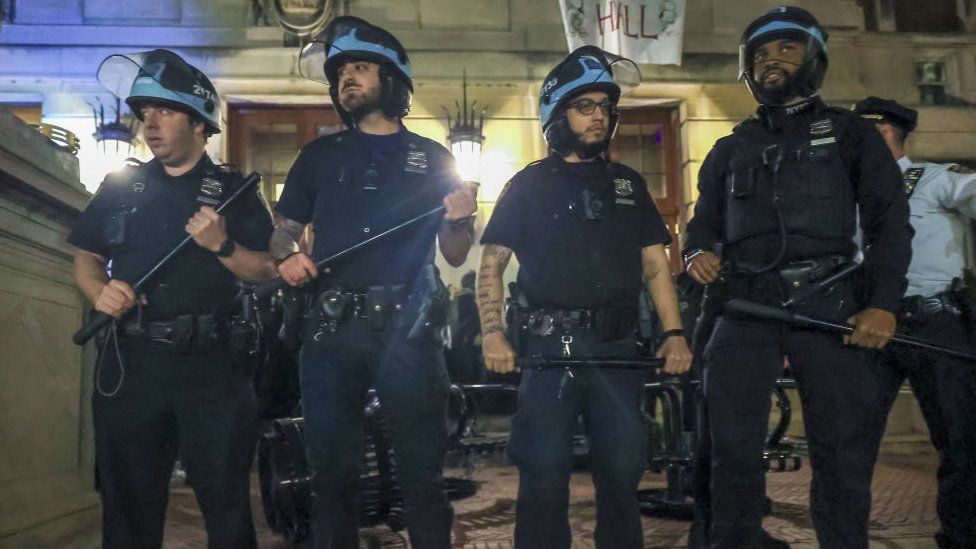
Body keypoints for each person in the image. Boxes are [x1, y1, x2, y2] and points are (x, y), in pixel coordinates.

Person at [683, 7, 912, 548]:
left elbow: (889, 224)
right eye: (760, 54)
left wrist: (882, 304)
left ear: (813, 58)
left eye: (785, 49)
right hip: (744, 308)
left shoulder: (852, 133)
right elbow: (702, 226)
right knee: (730, 448)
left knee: (841, 451)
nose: (771, 61)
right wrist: (698, 253)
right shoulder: (728, 147)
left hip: (830, 306)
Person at [270, 16, 477, 549]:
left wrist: (460, 217)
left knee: (422, 478)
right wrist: (288, 256)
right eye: (340, 73)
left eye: (360, 68)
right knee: (333, 477)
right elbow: (282, 231)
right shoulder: (319, 155)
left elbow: (454, 255)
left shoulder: (434, 157)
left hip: (409, 332)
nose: (347, 80)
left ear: (392, 80)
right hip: (332, 332)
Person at [477, 45, 693, 549]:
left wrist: (674, 333)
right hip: (549, 352)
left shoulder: (627, 183)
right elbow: (492, 262)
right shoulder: (529, 184)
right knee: (543, 474)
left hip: (617, 350)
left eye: (605, 107)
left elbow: (654, 265)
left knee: (622, 472)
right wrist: (493, 331)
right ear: (558, 115)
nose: (600, 117)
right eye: (585, 107)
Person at [69, 49, 276, 548]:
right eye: (145, 114)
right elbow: (86, 258)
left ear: (199, 122)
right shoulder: (122, 185)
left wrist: (222, 244)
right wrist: (102, 291)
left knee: (226, 508)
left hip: (213, 367)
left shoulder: (234, 190)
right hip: (133, 363)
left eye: (164, 111)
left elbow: (267, 271)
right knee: (127, 510)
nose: (150, 124)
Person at [854, 96, 976, 548]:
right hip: (867, 324)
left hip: (934, 321)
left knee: (959, 440)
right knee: (849, 440)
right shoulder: (847, 192)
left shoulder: (934, 178)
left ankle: (962, 537)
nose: (868, 141)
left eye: (880, 132)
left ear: (900, 137)